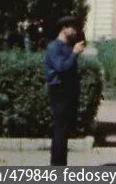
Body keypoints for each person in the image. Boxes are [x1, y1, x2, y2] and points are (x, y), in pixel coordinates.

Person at [44, 15, 86, 166]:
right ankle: (57, 165)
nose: (75, 31)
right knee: (60, 129)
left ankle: (61, 164)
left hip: (67, 90)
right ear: (64, 29)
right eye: (72, 28)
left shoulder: (67, 46)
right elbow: (62, 68)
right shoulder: (55, 47)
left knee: (64, 129)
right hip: (59, 91)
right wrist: (74, 53)